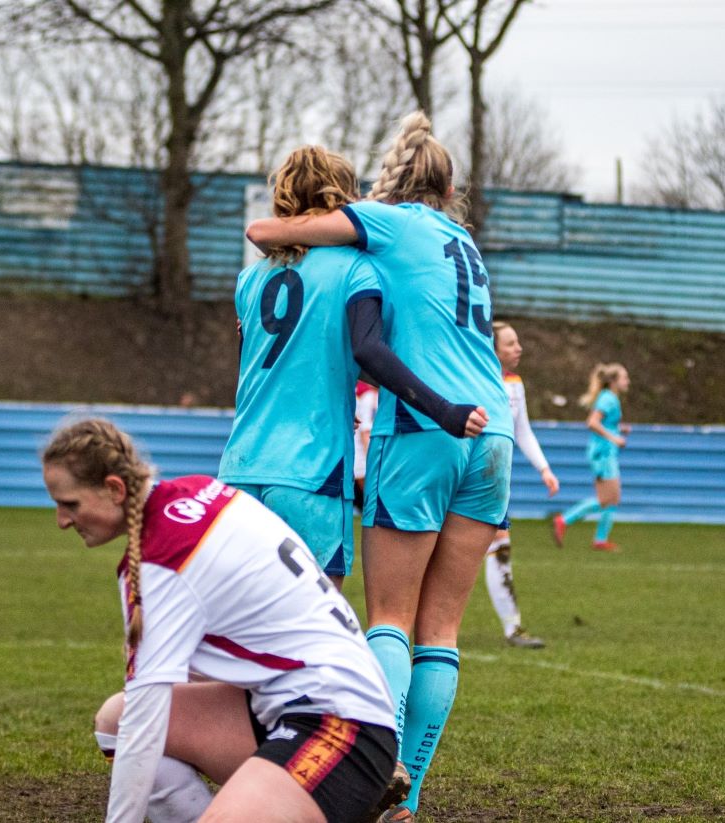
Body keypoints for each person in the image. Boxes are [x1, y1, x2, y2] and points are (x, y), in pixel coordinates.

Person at [246, 112, 511, 823]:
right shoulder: (466, 241)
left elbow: (274, 235)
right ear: (452, 187)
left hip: (427, 426)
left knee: (388, 617)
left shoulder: (387, 226)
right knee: (443, 630)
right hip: (497, 436)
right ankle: (409, 797)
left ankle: (369, 785)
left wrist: (289, 229)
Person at [42, 417, 407, 823]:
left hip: (343, 726)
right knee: (117, 721)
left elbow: (147, 723)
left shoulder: (159, 560)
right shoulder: (202, 490)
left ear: (114, 488)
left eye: (69, 504)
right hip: (296, 706)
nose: (61, 520)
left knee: (135, 724)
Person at [219, 146, 482, 593]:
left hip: (240, 468)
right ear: (342, 197)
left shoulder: (249, 279)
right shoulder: (356, 269)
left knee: (237, 636)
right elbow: (369, 350)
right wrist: (441, 408)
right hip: (312, 470)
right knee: (315, 635)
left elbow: (256, 372)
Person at [484, 322, 560, 649]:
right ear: (493, 348)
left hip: (494, 480)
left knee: (499, 546)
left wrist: (544, 469)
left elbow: (523, 431)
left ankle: (513, 628)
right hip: (467, 477)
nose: (519, 349)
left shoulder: (515, 384)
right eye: (511, 343)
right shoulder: (474, 378)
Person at [552, 362, 631, 552]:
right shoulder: (608, 399)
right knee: (608, 499)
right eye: (625, 378)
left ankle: (600, 540)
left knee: (611, 499)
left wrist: (619, 429)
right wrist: (615, 438)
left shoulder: (610, 397)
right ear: (614, 381)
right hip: (602, 454)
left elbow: (604, 423)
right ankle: (564, 519)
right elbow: (592, 422)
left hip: (606, 452)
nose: (628, 381)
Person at [353, 380, 379, 511]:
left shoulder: (360, 390)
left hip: (355, 443)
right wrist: (371, 458)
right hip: (361, 446)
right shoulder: (368, 395)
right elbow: (366, 430)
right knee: (366, 479)